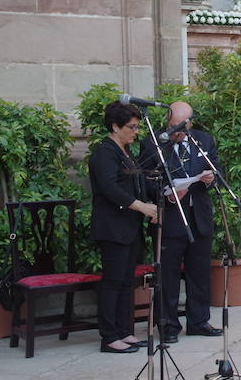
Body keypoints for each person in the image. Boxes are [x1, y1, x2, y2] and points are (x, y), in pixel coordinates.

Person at [139, 101, 221, 343]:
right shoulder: (153, 143)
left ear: (191, 123)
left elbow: (218, 170)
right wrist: (166, 192)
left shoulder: (204, 140)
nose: (176, 131)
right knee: (168, 275)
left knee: (199, 273)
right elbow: (144, 180)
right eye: (172, 125)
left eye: (181, 127)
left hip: (199, 216)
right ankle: (167, 326)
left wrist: (210, 179)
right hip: (170, 218)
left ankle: (198, 321)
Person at [88, 101, 157, 354]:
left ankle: (124, 331)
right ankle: (109, 337)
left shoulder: (125, 151)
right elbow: (110, 189)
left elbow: (134, 184)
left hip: (129, 226)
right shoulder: (104, 152)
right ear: (115, 126)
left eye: (137, 127)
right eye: (132, 127)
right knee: (113, 281)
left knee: (127, 281)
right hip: (112, 227)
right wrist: (141, 206)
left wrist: (149, 206)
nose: (136, 131)